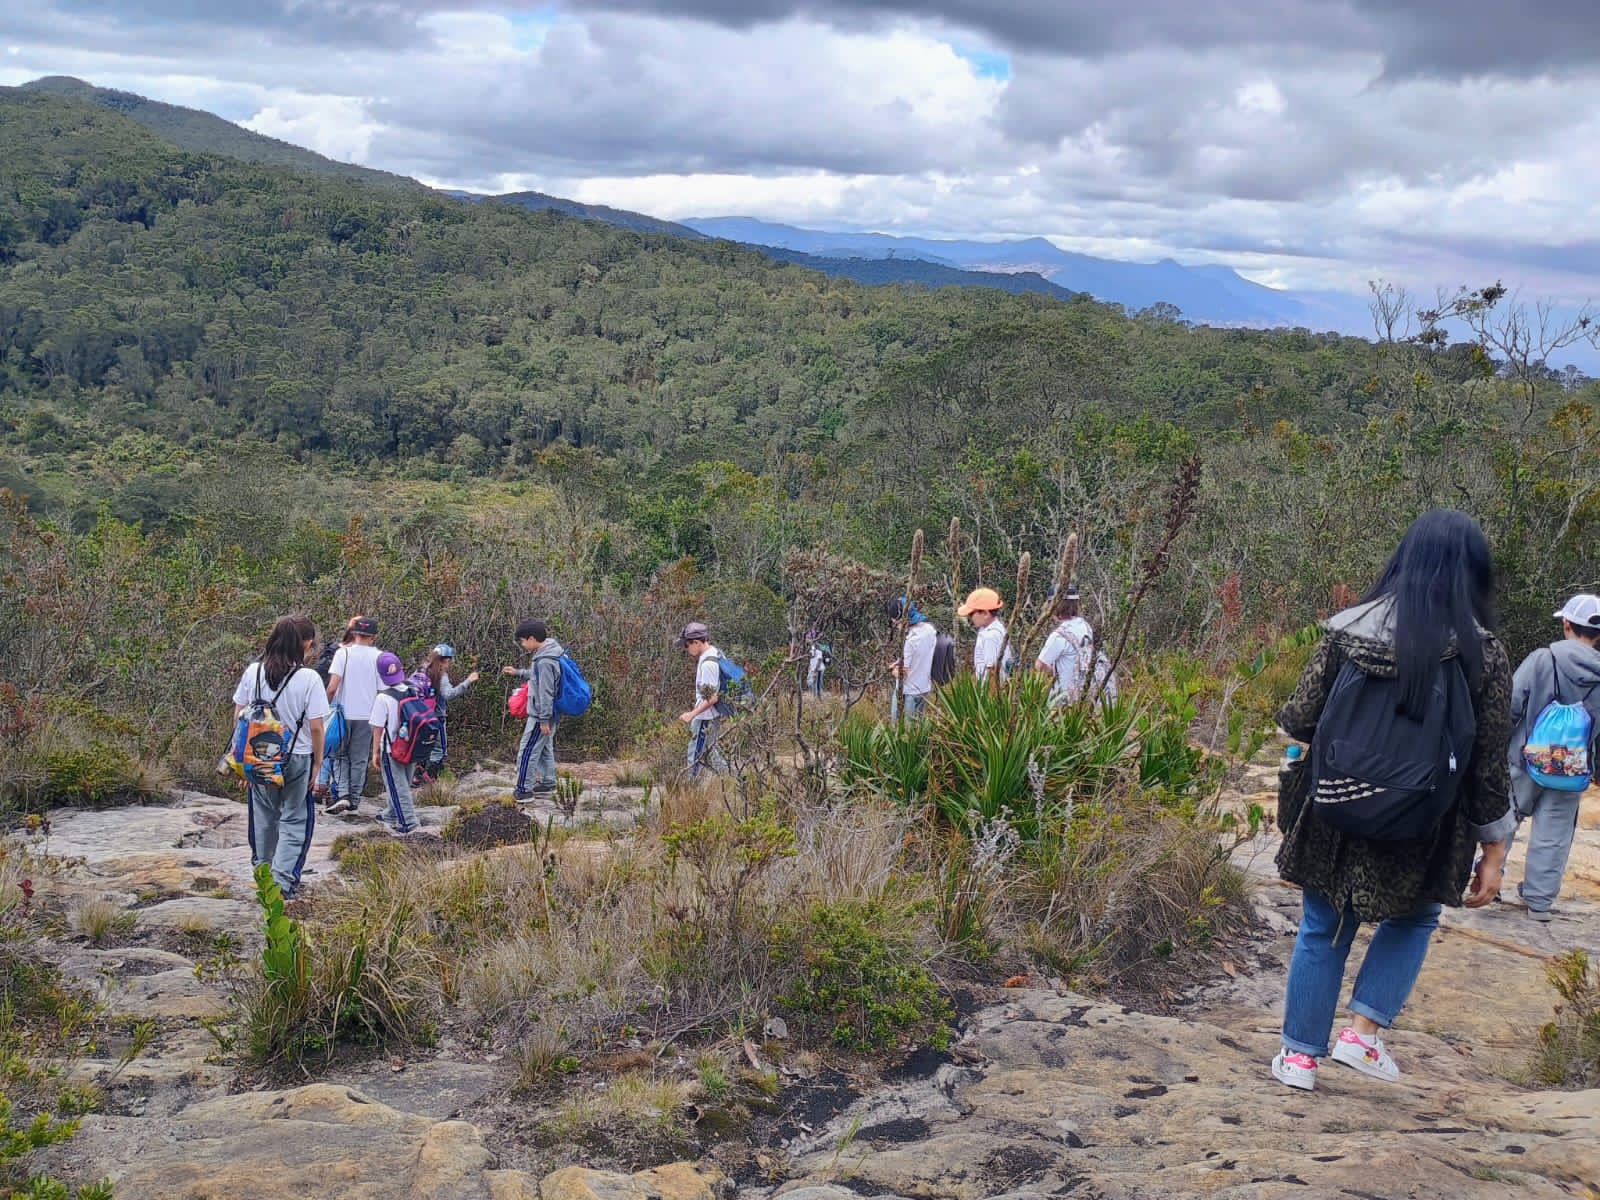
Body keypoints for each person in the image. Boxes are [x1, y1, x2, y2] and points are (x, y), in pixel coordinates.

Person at [1270, 509, 1514, 1092]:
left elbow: (1299, 720)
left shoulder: (1345, 632)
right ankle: (1362, 1035)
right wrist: (1496, 852)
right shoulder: (1486, 655)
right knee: (1416, 916)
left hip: (1337, 807)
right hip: (1426, 820)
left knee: (1321, 925)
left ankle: (1300, 1059)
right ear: (1472, 573)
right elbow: (1487, 766)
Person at [1504, 593, 1600, 922]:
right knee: (1554, 834)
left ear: (1566, 624)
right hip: (1572, 769)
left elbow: (1511, 704)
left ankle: (1484, 881)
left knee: (1505, 820)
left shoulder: (1542, 659)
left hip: (1526, 761)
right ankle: (1539, 904)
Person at [231, 615, 329, 897]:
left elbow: (239, 715)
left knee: (263, 817)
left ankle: (263, 876)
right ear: (303, 644)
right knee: (295, 819)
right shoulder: (308, 678)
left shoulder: (253, 672)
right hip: (297, 756)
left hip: (259, 755)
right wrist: (318, 762)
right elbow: (316, 727)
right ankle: (283, 883)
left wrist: (242, 761)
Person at [323, 615, 381, 816]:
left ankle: (343, 795)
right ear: (373, 637)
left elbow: (332, 687)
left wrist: (325, 708)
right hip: (368, 715)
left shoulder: (343, 654)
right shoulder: (380, 657)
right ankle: (354, 800)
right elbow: (382, 690)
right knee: (359, 758)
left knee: (339, 755)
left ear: (354, 633)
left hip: (342, 712)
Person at [502, 619, 563, 800]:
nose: (522, 645)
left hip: (541, 715)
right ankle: (548, 782)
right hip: (548, 713)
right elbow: (538, 677)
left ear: (531, 638)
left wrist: (544, 719)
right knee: (544, 748)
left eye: (522, 641)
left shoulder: (545, 661)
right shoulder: (551, 652)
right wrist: (518, 672)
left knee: (528, 749)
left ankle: (524, 790)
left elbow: (546, 691)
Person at [369, 651, 421, 834]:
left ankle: (409, 823)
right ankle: (390, 814)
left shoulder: (383, 698)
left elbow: (378, 728)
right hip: (412, 745)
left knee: (397, 785)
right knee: (403, 783)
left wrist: (375, 752)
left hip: (392, 748)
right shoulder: (413, 690)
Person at [676, 620, 728, 778]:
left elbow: (712, 697)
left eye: (687, 645)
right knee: (710, 752)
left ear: (696, 642)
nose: (686, 649)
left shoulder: (707, 664)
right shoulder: (715, 653)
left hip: (706, 718)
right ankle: (732, 779)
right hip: (712, 716)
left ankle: (691, 788)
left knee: (695, 756)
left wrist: (692, 714)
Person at [1035, 583, 1097, 705]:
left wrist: (1052, 671)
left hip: (1064, 700)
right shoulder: (1086, 626)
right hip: (1087, 695)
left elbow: (1040, 665)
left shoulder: (1059, 636)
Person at [887, 597, 936, 719]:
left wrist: (893, 670)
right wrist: (898, 662)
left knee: (901, 729)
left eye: (895, 622)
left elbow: (903, 673)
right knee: (918, 728)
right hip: (924, 687)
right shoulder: (930, 630)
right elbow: (921, 654)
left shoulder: (910, 641)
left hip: (909, 692)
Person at [957, 587, 1014, 682]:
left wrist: (989, 696)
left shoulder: (990, 636)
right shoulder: (992, 628)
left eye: (971, 614)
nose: (970, 617)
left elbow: (992, 670)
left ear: (985, 613)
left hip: (990, 691)